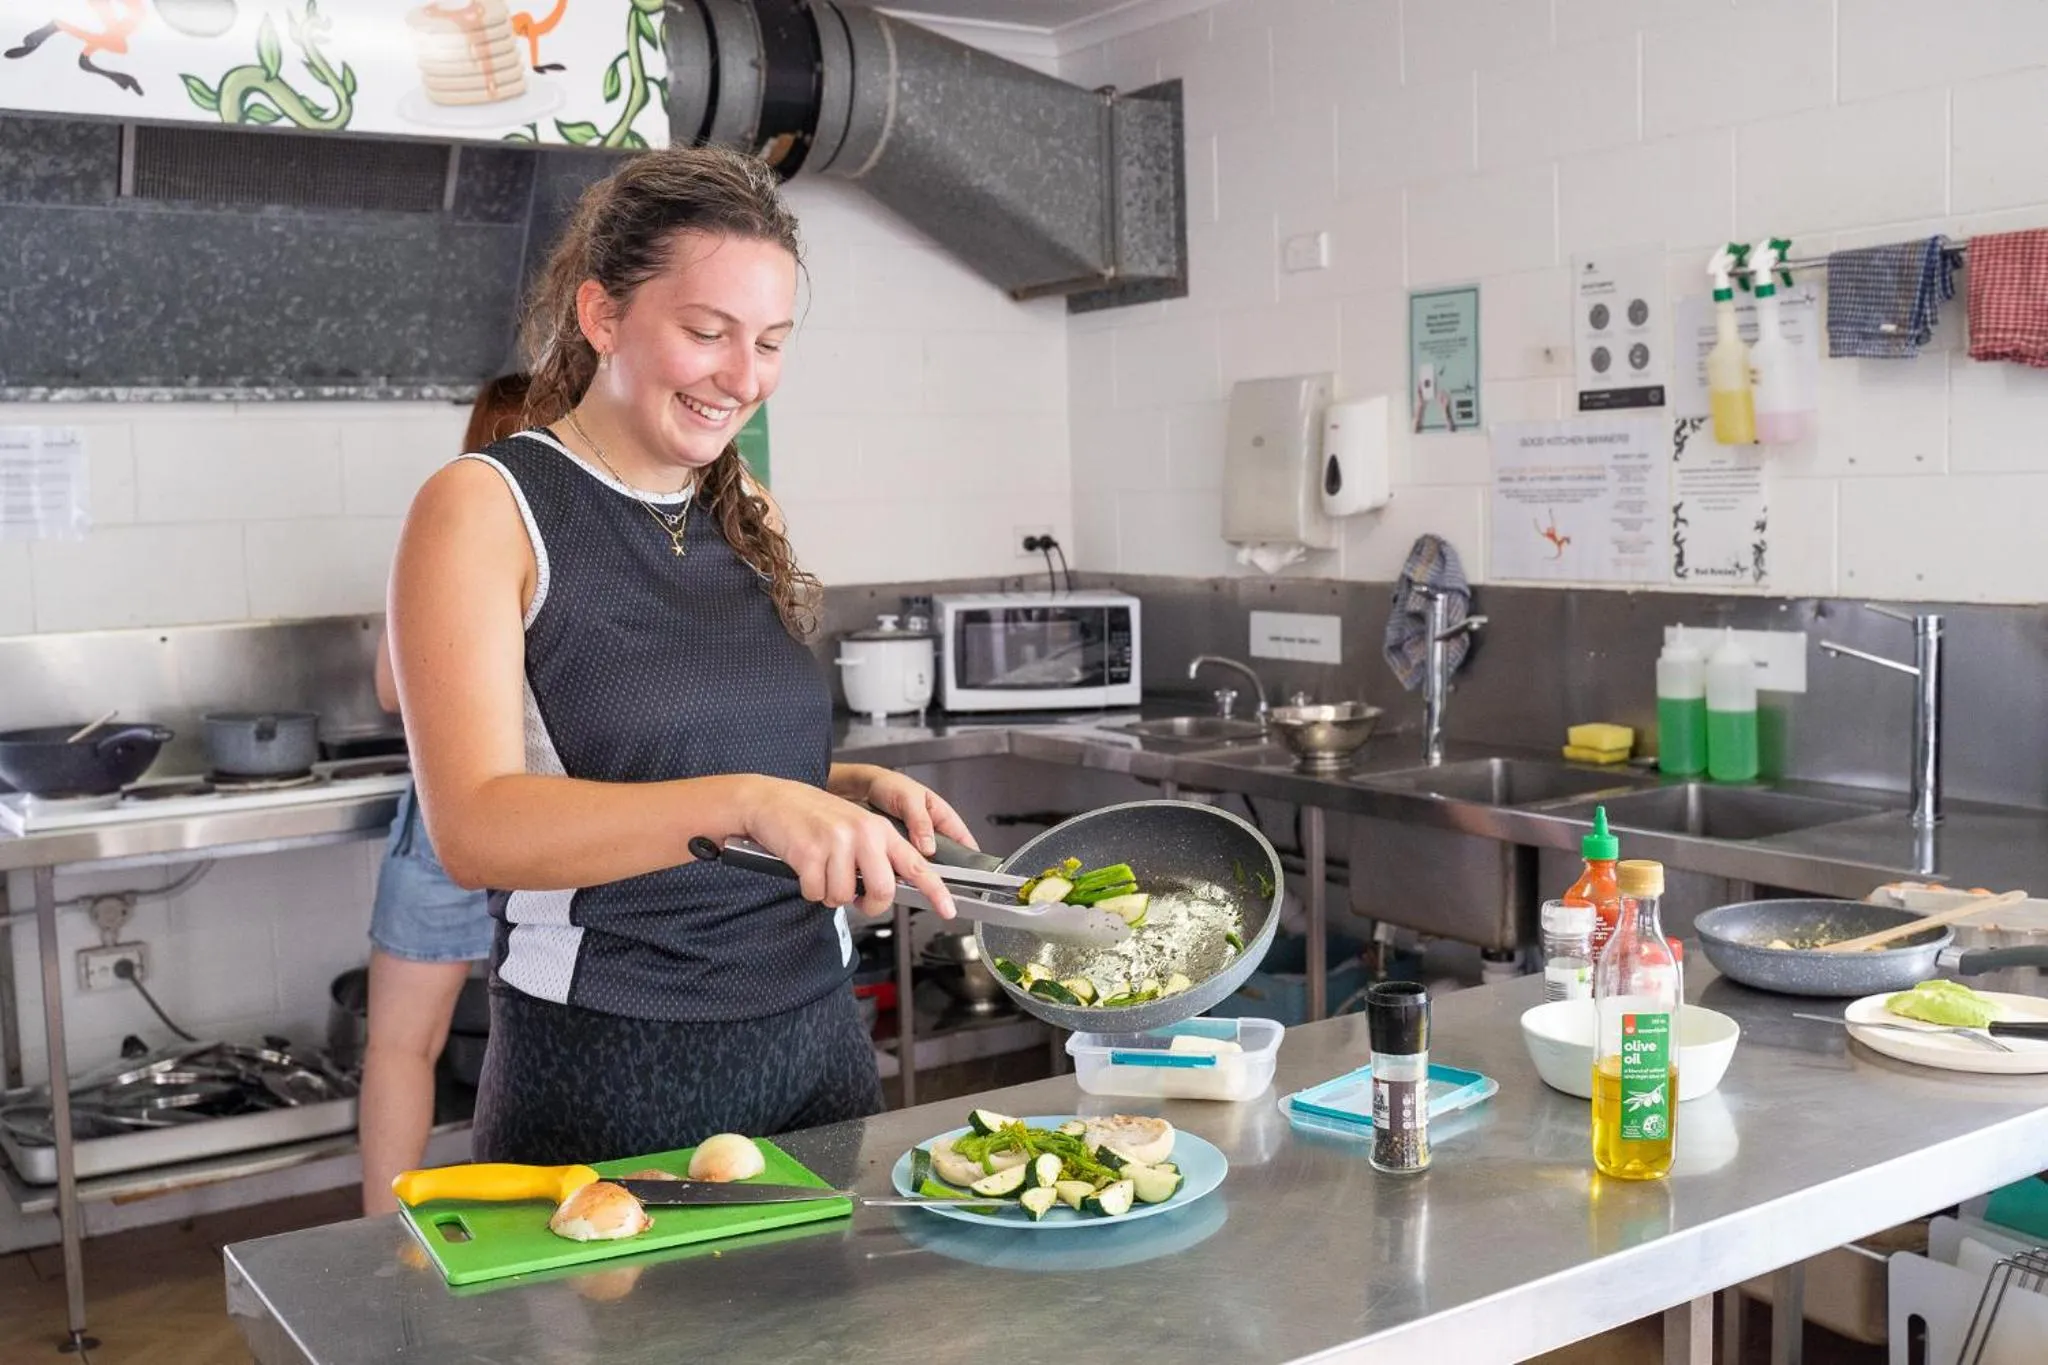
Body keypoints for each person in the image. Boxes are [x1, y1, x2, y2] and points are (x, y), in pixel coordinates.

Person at [385, 145, 974, 1168]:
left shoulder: (743, 510)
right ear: (601, 315)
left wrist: (838, 790)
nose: (743, 379)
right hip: (611, 1057)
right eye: (706, 333)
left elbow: (686, 761)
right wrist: (753, 801)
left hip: (818, 1040)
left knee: (838, 1333)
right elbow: (477, 825)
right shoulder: (487, 508)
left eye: (772, 343)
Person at [359, 375, 533, 1216]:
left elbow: (393, 690)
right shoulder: (582, 526)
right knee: (538, 1043)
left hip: (445, 815)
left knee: (402, 1045)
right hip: (562, 820)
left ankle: (381, 1246)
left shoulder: (449, 522)